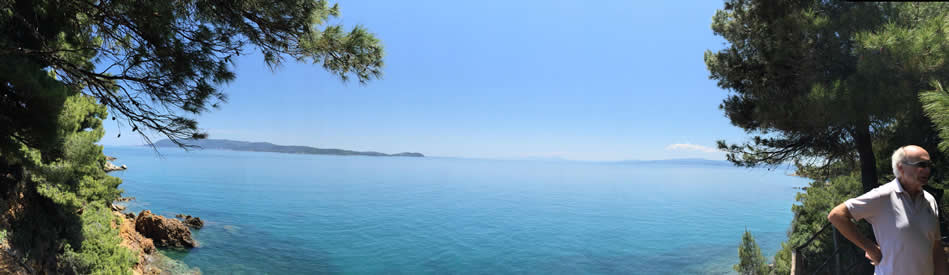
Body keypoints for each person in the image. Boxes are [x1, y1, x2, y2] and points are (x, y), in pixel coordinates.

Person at [827, 145, 948, 275]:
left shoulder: (930, 200)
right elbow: (837, 215)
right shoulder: (883, 195)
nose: (927, 170)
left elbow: (936, 248)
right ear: (900, 167)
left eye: (929, 165)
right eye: (921, 165)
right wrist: (870, 248)